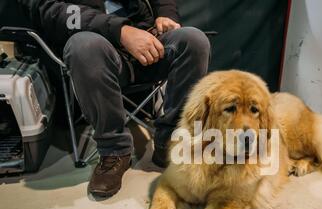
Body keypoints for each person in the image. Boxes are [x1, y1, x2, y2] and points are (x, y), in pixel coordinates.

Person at [18, 0, 210, 197]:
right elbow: (48, 10)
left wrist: (166, 14)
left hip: (148, 38)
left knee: (194, 40)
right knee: (83, 46)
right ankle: (114, 151)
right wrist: (121, 31)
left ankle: (170, 140)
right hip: (96, 46)